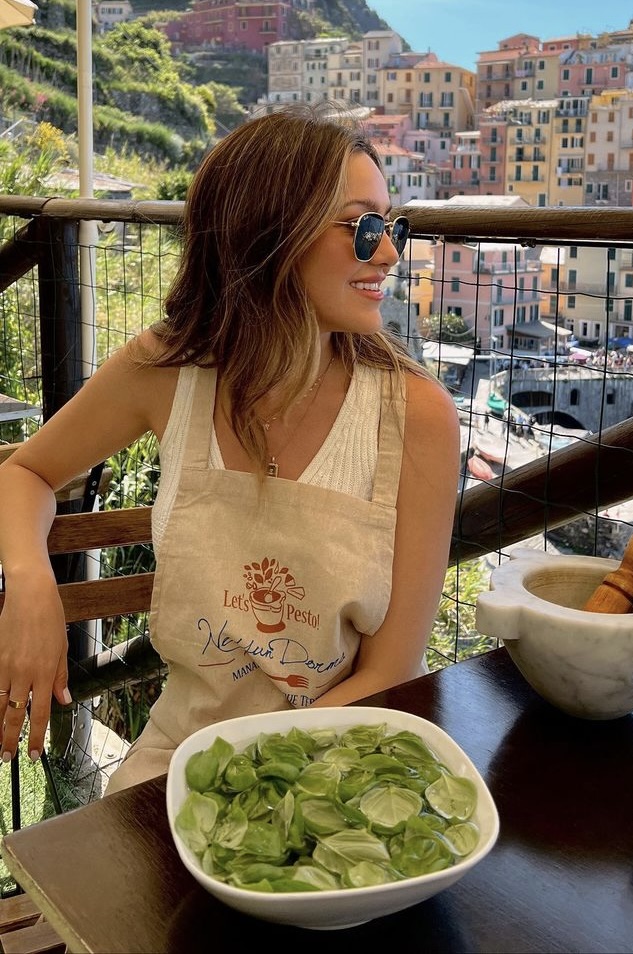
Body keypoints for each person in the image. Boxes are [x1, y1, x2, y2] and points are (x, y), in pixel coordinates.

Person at [0, 104, 460, 793]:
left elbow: (390, 673)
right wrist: (31, 585)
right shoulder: (168, 370)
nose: (390, 254)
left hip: (342, 765)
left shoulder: (415, 416)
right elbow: (26, 472)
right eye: (365, 227)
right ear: (272, 233)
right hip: (182, 756)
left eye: (392, 227)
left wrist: (242, 783)